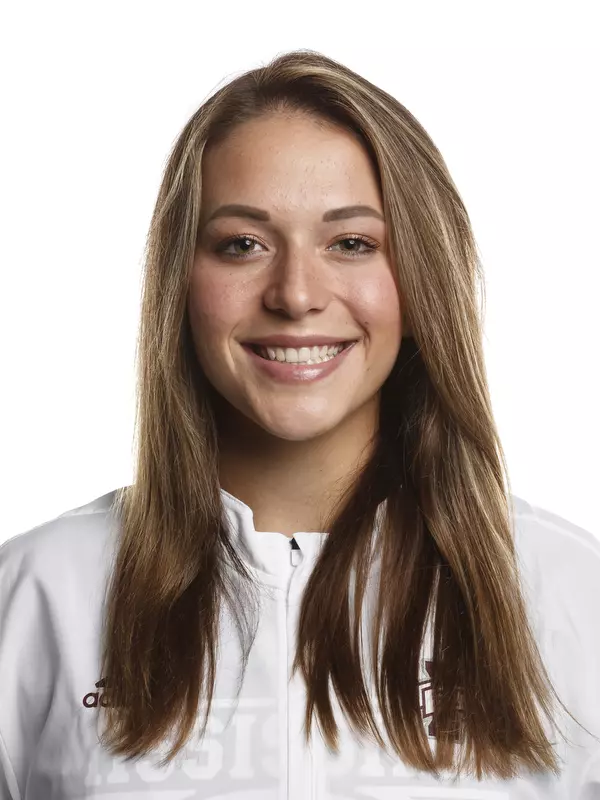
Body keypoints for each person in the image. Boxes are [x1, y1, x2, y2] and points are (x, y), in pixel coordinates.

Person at [1, 48, 599, 799]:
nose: (295, 294)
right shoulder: (35, 595)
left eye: (352, 243)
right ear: (180, 286)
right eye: (242, 244)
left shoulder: (573, 596)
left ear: (419, 286)